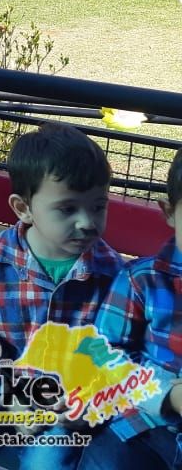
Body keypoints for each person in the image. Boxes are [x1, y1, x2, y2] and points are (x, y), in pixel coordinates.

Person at [0, 122, 121, 470]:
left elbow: (113, 353)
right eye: (68, 209)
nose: (88, 222)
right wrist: (7, 400)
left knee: (46, 462)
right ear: (23, 207)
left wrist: (81, 404)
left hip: (65, 408)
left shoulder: (111, 274)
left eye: (98, 206)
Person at [79, 148, 182, 469]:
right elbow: (105, 357)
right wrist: (168, 395)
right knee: (106, 462)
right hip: (145, 421)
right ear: (169, 212)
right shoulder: (141, 280)